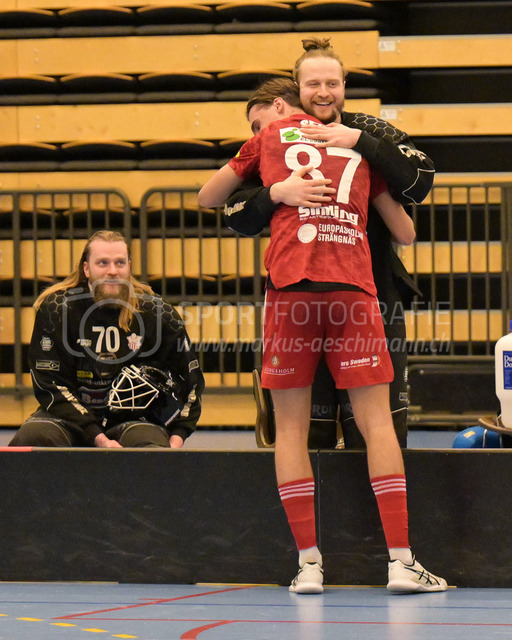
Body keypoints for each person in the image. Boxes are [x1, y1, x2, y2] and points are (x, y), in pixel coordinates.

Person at [198, 78, 446, 594]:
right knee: (377, 425)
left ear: (280, 106)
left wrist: (275, 193)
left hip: (291, 293)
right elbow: (405, 232)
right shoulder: (356, 144)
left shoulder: (267, 141)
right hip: (353, 292)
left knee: (290, 431)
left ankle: (308, 565)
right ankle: (401, 561)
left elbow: (208, 198)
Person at [224, 37, 433, 449]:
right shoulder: (276, 143)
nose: (323, 93)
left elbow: (420, 183)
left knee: (377, 431)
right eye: (313, 84)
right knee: (309, 435)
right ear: (297, 90)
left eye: (332, 83)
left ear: (344, 85)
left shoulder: (368, 128)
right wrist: (275, 193)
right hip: (300, 296)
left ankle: (378, 495)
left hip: (372, 296)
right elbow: (233, 212)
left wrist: (361, 143)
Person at [9, 230, 204, 449]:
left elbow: (191, 381)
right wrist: (98, 437)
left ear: (129, 266)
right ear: (86, 269)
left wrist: (177, 438)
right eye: (103, 263)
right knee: (34, 437)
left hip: (133, 418)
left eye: (120, 263)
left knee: (150, 447)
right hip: (69, 416)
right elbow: (49, 382)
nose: (112, 271)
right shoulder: (57, 309)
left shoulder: (157, 312)